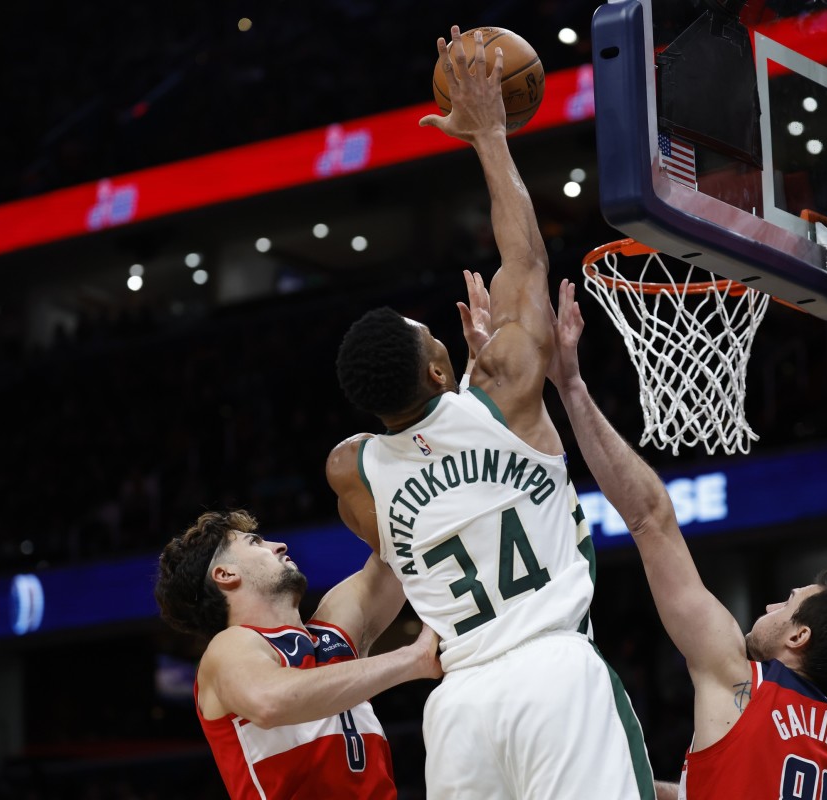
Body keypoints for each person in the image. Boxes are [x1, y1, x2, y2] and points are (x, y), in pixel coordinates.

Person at [326, 26, 655, 800]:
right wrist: (489, 135)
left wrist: (462, 385)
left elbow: (416, 496)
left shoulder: (351, 468)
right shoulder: (506, 392)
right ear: (440, 366)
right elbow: (527, 260)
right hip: (552, 671)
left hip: (460, 708)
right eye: (434, 338)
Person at [545, 280, 827, 800]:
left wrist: (570, 384)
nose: (775, 603)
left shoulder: (742, 682)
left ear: (799, 637)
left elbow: (650, 519)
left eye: (789, 602)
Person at [154, 508, 442, 799]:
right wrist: (414, 658)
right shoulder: (228, 647)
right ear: (226, 574)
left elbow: (402, 546)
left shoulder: (333, 629)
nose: (279, 545)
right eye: (255, 542)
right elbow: (269, 701)